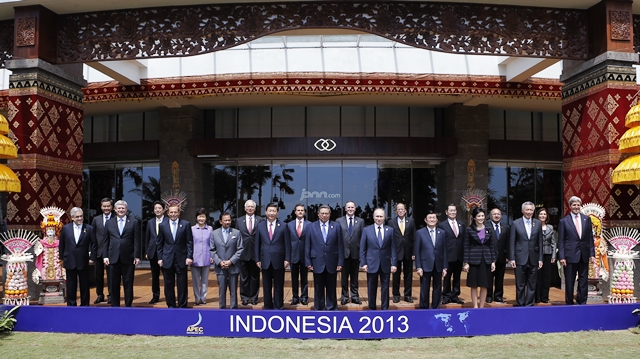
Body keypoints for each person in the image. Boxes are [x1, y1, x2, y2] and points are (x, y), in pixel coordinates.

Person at [558, 196, 595, 305]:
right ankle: (569, 302)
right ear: (570, 206)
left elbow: (589, 238)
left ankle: (582, 301)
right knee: (570, 281)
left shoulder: (586, 219)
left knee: (583, 280)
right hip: (570, 255)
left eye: (578, 205)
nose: (576, 207)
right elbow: (561, 241)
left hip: (584, 254)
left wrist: (592, 254)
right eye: (574, 205)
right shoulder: (564, 221)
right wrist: (562, 256)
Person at [103, 200, 141, 307]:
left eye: (123, 208)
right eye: (119, 208)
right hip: (112, 258)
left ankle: (128, 305)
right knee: (113, 284)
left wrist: (136, 256)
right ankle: (115, 306)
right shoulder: (109, 223)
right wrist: (105, 256)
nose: (121, 210)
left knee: (128, 283)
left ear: (126, 209)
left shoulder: (134, 222)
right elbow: (105, 241)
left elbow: (137, 241)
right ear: (115, 210)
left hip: (128, 258)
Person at [306, 205, 343, 310]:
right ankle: (319, 308)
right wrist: (308, 262)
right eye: (322, 213)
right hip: (317, 261)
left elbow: (340, 246)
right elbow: (307, 246)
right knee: (318, 288)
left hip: (332, 261)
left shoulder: (336, 226)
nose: (324, 215)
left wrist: (340, 262)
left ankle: (332, 308)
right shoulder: (311, 227)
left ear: (330, 214)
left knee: (331, 288)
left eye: (326, 213)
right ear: (318, 214)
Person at [157, 203, 194, 308]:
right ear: (168, 213)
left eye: (175, 212)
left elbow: (189, 242)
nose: (173, 214)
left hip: (181, 258)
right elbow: (159, 243)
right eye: (171, 212)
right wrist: (159, 258)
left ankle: (182, 305)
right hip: (167, 258)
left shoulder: (186, 224)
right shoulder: (162, 225)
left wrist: (189, 256)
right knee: (168, 284)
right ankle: (171, 305)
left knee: (182, 283)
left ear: (179, 213)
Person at [254, 202, 290, 310]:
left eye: (274, 211)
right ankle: (268, 306)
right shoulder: (260, 226)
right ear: (266, 212)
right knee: (266, 285)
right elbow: (257, 244)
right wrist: (257, 259)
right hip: (265, 260)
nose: (271, 213)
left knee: (279, 285)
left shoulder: (283, 226)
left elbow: (287, 244)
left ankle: (279, 306)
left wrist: (287, 258)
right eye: (269, 211)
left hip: (279, 260)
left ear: (277, 213)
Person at [360, 208, 397, 310]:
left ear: (384, 217)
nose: (379, 218)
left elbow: (393, 248)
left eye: (381, 216)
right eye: (377, 216)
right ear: (373, 217)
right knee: (371, 287)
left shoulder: (390, 230)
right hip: (371, 263)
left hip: (385, 263)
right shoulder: (366, 230)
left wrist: (394, 264)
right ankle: (372, 307)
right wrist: (363, 263)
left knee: (385, 287)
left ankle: (385, 308)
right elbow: (363, 248)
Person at [59, 207, 96, 306]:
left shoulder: (89, 228)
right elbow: (62, 244)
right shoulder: (66, 228)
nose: (80, 218)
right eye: (77, 217)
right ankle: (71, 305)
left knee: (84, 285)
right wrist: (61, 258)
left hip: (83, 260)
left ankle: (84, 305)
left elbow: (94, 244)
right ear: (72, 218)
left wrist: (92, 257)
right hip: (69, 260)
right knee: (71, 285)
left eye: (81, 216)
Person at [509, 201, 543, 307]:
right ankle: (520, 303)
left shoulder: (537, 223)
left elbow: (540, 242)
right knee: (520, 283)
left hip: (533, 257)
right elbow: (512, 242)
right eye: (527, 210)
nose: (529, 212)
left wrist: (540, 259)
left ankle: (529, 304)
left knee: (532, 283)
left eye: (531, 210)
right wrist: (512, 258)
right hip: (520, 257)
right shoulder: (515, 223)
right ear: (522, 210)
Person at [463, 208, 496, 308]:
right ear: (474, 217)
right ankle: (475, 306)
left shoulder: (489, 229)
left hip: (486, 260)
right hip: (473, 260)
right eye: (478, 216)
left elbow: (492, 246)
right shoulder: (469, 229)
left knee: (484, 284)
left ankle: (481, 306)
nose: (481, 218)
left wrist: (493, 261)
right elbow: (466, 246)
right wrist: (466, 262)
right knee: (474, 284)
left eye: (482, 216)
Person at [414, 210, 447, 309]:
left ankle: (435, 307)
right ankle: (424, 308)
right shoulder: (420, 233)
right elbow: (417, 251)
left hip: (438, 264)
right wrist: (418, 266)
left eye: (434, 218)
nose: (432, 220)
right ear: (425, 220)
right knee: (425, 288)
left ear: (437, 220)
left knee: (437, 287)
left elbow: (444, 250)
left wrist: (445, 267)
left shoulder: (442, 233)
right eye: (430, 218)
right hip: (425, 265)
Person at [210, 212, 244, 309]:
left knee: (233, 290)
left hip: (233, 266)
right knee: (222, 290)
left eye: (229, 220)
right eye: (225, 220)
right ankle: (222, 309)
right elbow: (212, 250)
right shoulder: (214, 233)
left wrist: (231, 261)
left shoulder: (236, 233)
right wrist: (220, 262)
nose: (227, 222)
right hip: (220, 267)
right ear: (221, 221)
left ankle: (233, 309)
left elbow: (240, 249)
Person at [336, 201, 364, 305]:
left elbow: (362, 239)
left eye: (352, 207)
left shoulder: (360, 221)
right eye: (348, 207)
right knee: (344, 277)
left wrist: (362, 255)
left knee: (355, 277)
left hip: (356, 254)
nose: (350, 209)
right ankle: (344, 296)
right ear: (345, 209)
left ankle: (355, 296)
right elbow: (337, 238)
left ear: (355, 208)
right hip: (343, 254)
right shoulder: (339, 221)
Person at [236, 199, 263, 306]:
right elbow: (237, 238)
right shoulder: (239, 221)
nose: (250, 208)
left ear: (255, 209)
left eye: (252, 207)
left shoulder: (260, 220)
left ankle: (254, 297)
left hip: (256, 253)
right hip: (243, 253)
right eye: (248, 207)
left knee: (255, 276)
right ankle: (244, 297)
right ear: (245, 208)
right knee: (244, 276)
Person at [388, 202, 416, 303]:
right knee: (396, 275)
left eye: (402, 209)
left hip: (408, 252)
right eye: (398, 209)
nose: (400, 211)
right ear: (396, 211)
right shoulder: (391, 222)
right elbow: (389, 239)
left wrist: (414, 252)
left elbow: (414, 238)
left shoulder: (411, 221)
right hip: (396, 252)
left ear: (405, 211)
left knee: (408, 275)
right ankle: (396, 295)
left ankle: (408, 295)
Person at [438, 204, 466, 305]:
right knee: (447, 277)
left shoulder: (461, 224)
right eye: (450, 211)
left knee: (457, 277)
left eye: (454, 211)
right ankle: (446, 295)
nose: (453, 212)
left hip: (459, 255)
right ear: (446, 212)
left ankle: (455, 295)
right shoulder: (442, 225)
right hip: (447, 256)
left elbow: (463, 240)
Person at [287, 204, 311, 305]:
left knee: (304, 278)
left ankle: (304, 297)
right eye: (298, 210)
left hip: (305, 256)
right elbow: (287, 242)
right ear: (295, 212)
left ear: (304, 212)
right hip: (293, 255)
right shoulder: (289, 225)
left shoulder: (310, 225)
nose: (300, 212)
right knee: (294, 278)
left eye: (302, 210)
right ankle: (295, 297)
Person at [91, 197, 112, 304]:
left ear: (111, 207)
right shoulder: (96, 219)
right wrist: (92, 252)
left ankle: (111, 295)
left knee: (111, 275)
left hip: (111, 252)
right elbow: (93, 237)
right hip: (98, 252)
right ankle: (100, 295)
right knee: (98, 275)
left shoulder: (116, 218)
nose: (106, 208)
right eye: (104, 206)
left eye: (108, 206)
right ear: (101, 207)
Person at [486, 208, 510, 304]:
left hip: (501, 257)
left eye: (498, 214)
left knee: (500, 278)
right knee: (488, 278)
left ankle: (498, 296)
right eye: (494, 214)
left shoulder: (506, 227)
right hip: (489, 257)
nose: (496, 216)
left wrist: (509, 256)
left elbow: (509, 243)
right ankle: (488, 295)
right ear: (491, 216)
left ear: (501, 216)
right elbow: (482, 242)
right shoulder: (485, 227)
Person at [144, 201, 166, 304]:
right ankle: (155, 296)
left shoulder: (168, 221)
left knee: (167, 276)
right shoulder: (150, 222)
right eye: (155, 208)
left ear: (163, 209)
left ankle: (168, 295)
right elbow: (147, 237)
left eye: (159, 208)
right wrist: (147, 251)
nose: (157, 210)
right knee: (155, 276)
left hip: (165, 252)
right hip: (153, 252)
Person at [535, 207, 556, 304]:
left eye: (544, 214)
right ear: (537, 215)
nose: (542, 216)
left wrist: (553, 255)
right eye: (541, 214)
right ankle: (537, 297)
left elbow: (553, 243)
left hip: (547, 253)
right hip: (536, 254)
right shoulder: (534, 226)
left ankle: (545, 297)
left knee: (546, 276)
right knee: (537, 276)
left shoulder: (550, 227)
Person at [191, 208, 212, 305]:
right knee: (195, 280)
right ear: (196, 218)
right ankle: (197, 298)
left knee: (204, 280)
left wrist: (212, 256)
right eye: (199, 216)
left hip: (206, 257)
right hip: (195, 258)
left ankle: (203, 297)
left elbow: (212, 244)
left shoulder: (210, 229)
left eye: (203, 216)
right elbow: (190, 244)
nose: (201, 218)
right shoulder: (191, 229)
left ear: (206, 218)